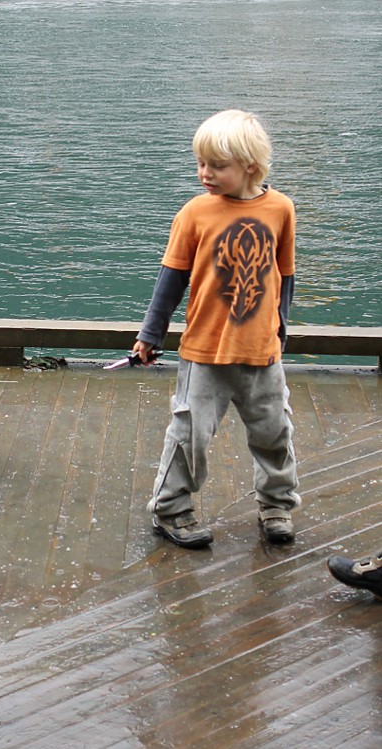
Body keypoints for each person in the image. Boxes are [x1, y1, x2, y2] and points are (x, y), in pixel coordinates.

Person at [132, 109, 301, 549]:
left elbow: (284, 276)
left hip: (262, 354)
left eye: (216, 166)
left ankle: (276, 505)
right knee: (189, 436)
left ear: (250, 165)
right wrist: (150, 335)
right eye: (200, 164)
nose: (204, 173)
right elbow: (170, 280)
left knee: (274, 432)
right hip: (205, 354)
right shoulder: (194, 213)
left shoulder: (281, 209)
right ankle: (170, 509)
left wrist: (280, 331)